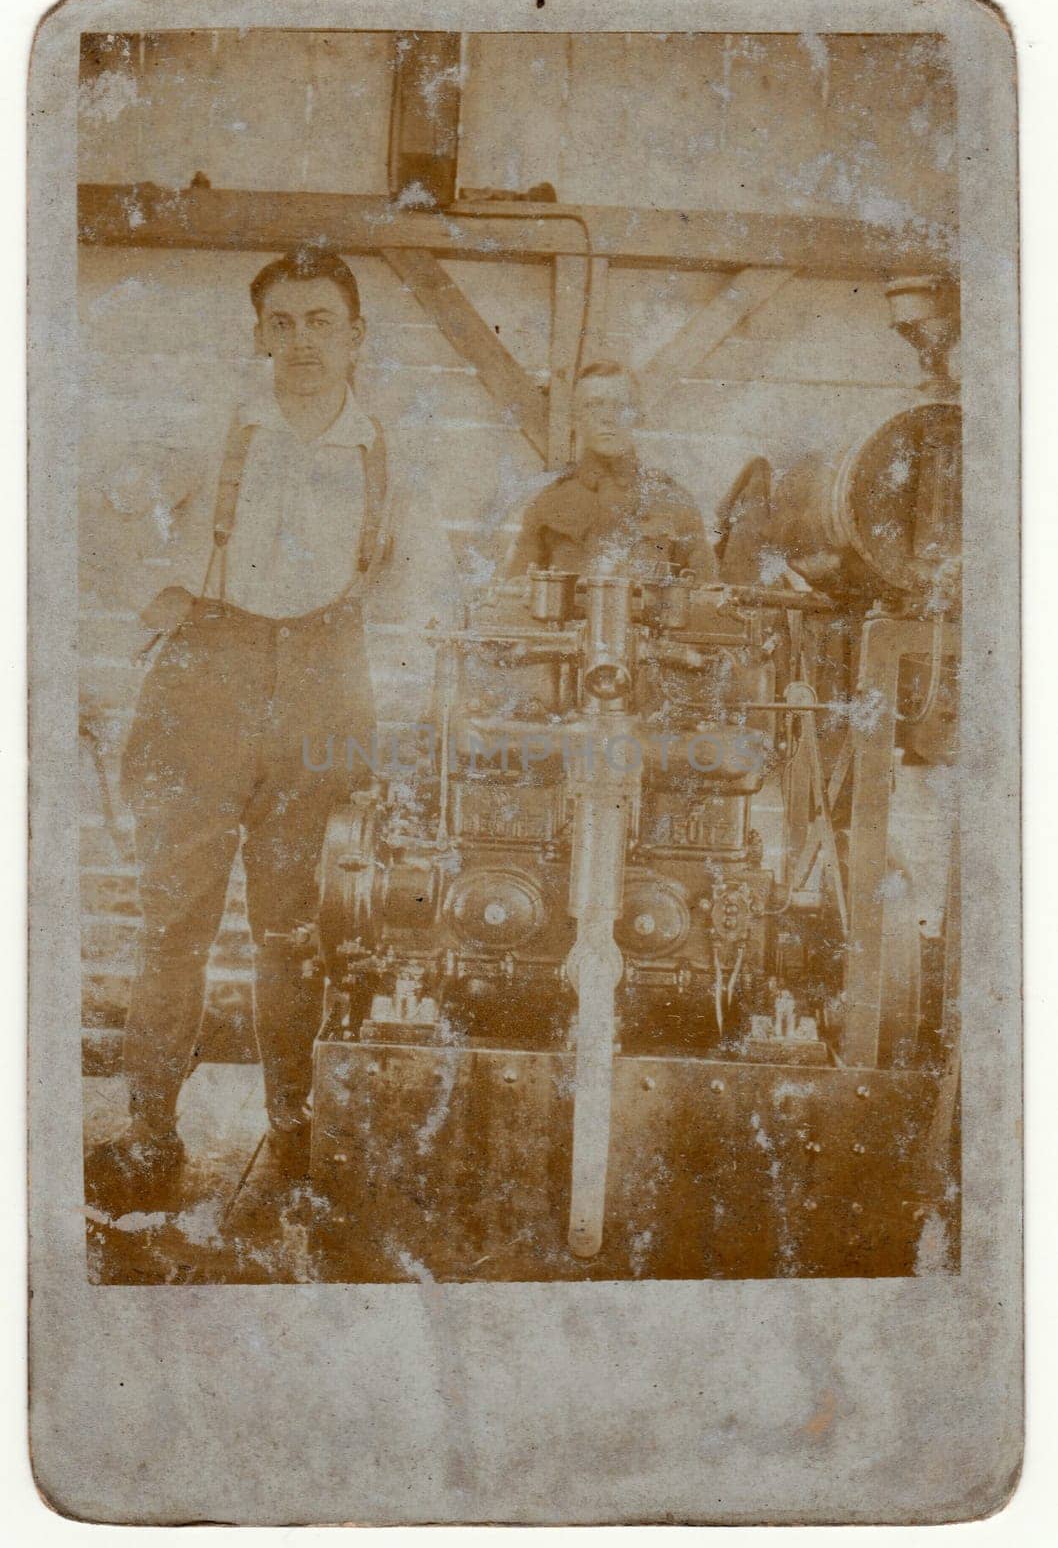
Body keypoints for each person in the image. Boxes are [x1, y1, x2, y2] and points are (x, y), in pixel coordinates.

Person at [92, 245, 453, 1195]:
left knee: (301, 932)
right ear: (259, 335)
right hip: (203, 686)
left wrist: (398, 697)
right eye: (282, 323)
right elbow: (96, 515)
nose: (301, 342)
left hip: (327, 692)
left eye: (321, 322)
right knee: (176, 926)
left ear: (356, 336)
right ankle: (148, 1129)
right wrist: (150, 594)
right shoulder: (210, 432)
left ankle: (295, 1131)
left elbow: (422, 591)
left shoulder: (389, 456)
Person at [505, 361, 718, 579]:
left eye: (620, 406)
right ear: (575, 419)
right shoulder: (549, 503)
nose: (607, 417)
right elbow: (514, 597)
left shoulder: (673, 501)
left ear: (638, 416)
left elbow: (706, 597)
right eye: (593, 405)